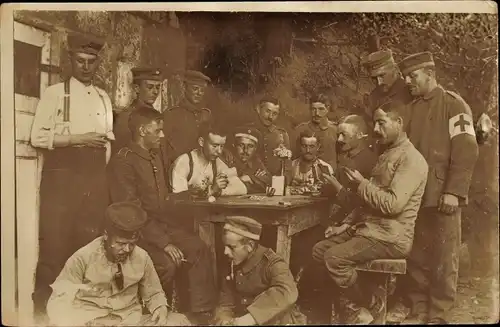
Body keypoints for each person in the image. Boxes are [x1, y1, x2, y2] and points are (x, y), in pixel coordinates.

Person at [312, 102, 429, 324]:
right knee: (320, 250)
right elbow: (367, 204)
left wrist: (362, 184)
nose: (375, 129)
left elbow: (393, 205)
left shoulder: (411, 159)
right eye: (375, 123)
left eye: (381, 123)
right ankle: (359, 305)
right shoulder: (388, 154)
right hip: (370, 230)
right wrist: (344, 225)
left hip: (391, 236)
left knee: (334, 258)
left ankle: (368, 303)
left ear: (399, 123)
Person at [388, 52, 479, 325]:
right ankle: (417, 306)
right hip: (413, 195)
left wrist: (454, 191)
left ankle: (439, 314)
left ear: (430, 74)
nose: (407, 81)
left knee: (444, 256)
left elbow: (466, 150)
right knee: (415, 254)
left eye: (413, 76)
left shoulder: (454, 105)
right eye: (406, 76)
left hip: (442, 194)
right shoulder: (409, 108)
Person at [30, 33, 115, 316]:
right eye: (80, 61)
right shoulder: (55, 93)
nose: (86, 67)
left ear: (98, 63)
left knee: (88, 246)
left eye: (91, 62)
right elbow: (38, 137)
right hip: (62, 180)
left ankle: (79, 311)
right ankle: (42, 313)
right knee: (55, 245)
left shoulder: (104, 97)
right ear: (71, 60)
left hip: (94, 180)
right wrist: (77, 139)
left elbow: (106, 143)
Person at [107, 108, 217, 325]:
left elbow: (161, 201)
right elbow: (132, 215)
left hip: (160, 226)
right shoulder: (124, 161)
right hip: (138, 234)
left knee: (198, 248)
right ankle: (156, 315)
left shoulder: (154, 156)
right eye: (157, 131)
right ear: (142, 130)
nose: (162, 136)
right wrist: (164, 243)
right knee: (167, 264)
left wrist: (188, 195)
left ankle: (200, 314)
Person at [46, 202, 191, 326]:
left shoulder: (141, 257)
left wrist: (160, 308)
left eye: (132, 244)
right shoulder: (82, 258)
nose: (127, 250)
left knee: (179, 321)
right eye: (121, 244)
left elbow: (154, 293)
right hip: (91, 321)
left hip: (130, 321)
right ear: (106, 236)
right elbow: (58, 302)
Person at [214, 216, 306, 326]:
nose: (225, 252)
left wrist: (251, 318)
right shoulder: (232, 262)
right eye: (225, 246)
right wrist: (225, 318)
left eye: (231, 247)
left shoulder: (273, 264)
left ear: (250, 246)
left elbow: (286, 291)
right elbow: (226, 299)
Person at [170, 125, 248, 197]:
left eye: (222, 146)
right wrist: (212, 190)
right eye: (214, 146)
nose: (219, 151)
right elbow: (179, 199)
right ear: (201, 142)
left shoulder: (216, 162)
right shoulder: (184, 163)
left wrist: (219, 191)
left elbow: (241, 188)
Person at [162, 70, 212, 161]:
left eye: (202, 90)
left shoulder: (206, 115)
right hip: (179, 166)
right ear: (184, 87)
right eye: (195, 88)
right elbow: (164, 147)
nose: (199, 93)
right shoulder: (172, 114)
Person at [113, 67, 163, 155]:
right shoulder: (126, 117)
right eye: (150, 87)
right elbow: (120, 152)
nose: (155, 92)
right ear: (137, 88)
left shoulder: (157, 115)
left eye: (158, 87)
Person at [241, 97, 291, 177]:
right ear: (258, 109)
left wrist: (284, 182)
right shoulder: (246, 131)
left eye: (275, 114)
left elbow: (287, 166)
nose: (270, 117)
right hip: (251, 180)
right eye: (267, 111)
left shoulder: (282, 134)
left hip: (275, 182)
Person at [362, 49, 413, 125]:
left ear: (395, 69)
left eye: (382, 76)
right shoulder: (373, 97)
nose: (379, 83)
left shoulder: (411, 91)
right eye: (374, 78)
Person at [293, 93, 338, 170]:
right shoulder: (300, 130)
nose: (316, 113)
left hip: (330, 176)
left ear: (328, 109)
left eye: (321, 109)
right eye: (313, 109)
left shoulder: (335, 130)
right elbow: (294, 156)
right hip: (305, 176)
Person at [222, 127, 271, 194]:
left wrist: (250, 178)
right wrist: (243, 180)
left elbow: (268, 180)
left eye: (250, 146)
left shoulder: (255, 160)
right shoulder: (228, 157)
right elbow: (223, 184)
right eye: (241, 145)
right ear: (234, 145)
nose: (245, 150)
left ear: (255, 148)